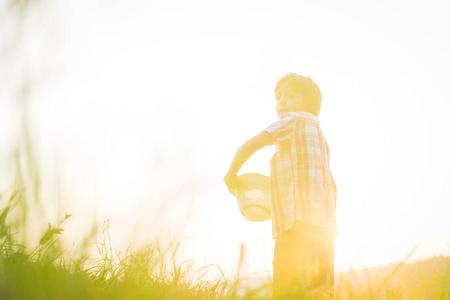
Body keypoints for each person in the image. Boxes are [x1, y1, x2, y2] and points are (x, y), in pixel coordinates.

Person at [223, 73, 338, 299]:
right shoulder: (320, 135)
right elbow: (331, 184)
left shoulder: (292, 121)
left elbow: (251, 144)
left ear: (308, 103)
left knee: (287, 289)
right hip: (324, 229)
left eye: (290, 95)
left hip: (294, 224)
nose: (281, 102)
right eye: (278, 97)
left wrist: (231, 174)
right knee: (319, 290)